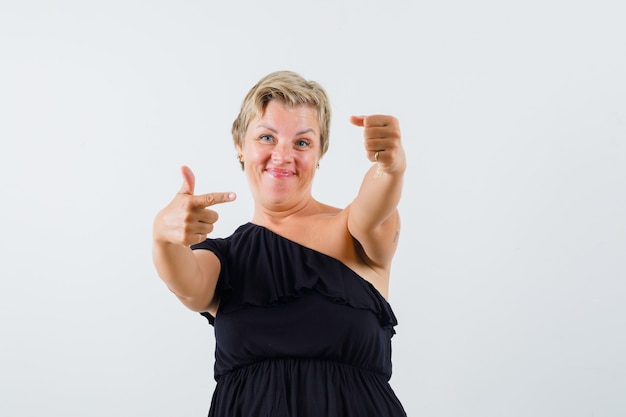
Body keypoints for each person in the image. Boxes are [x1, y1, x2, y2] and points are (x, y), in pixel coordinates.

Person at [152, 70, 407, 416]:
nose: (283, 155)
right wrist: (163, 236)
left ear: (319, 154)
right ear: (241, 146)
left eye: (302, 142)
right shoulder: (224, 258)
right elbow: (187, 284)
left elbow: (375, 207)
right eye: (267, 138)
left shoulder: (351, 231)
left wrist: (390, 168)